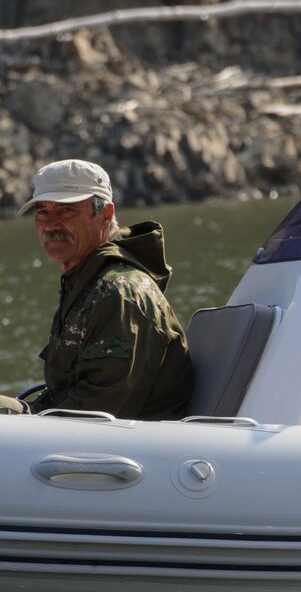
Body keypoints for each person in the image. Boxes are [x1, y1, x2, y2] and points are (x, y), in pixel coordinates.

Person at [0, 159, 194, 419]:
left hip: (121, 450)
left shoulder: (120, 292)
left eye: (66, 211)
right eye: (42, 212)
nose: (50, 225)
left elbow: (97, 416)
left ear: (104, 215)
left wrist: (20, 414)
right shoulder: (86, 283)